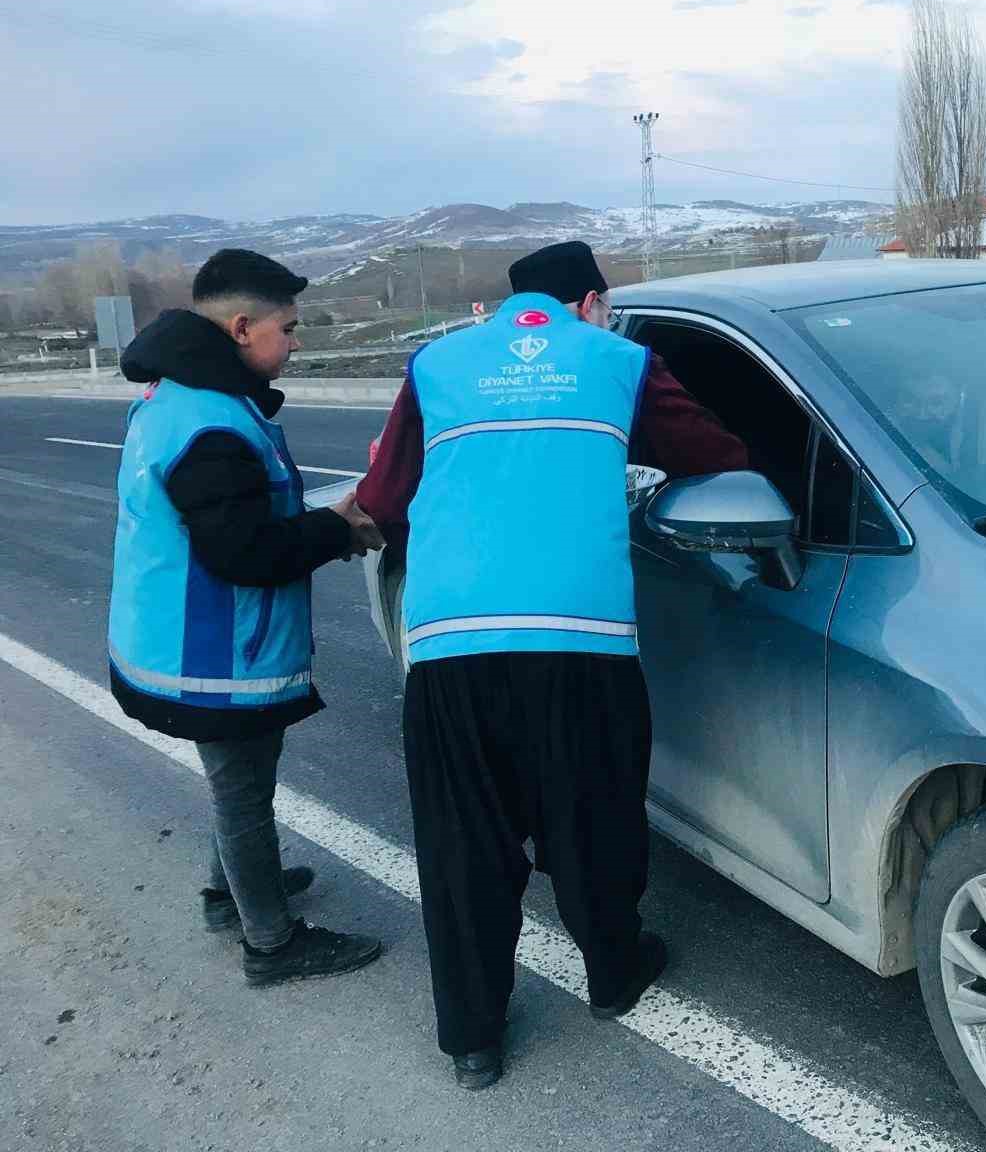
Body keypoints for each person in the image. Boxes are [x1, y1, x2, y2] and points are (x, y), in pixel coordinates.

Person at [356, 241, 748, 1090]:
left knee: (463, 841)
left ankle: (472, 1037)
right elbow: (717, 459)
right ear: (595, 302)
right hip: (580, 634)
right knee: (593, 815)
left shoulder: (436, 363)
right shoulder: (620, 361)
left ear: (506, 304)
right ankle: (613, 973)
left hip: (452, 640)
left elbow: (384, 502)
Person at [108, 249, 386, 986]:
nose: (294, 343)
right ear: (240, 328)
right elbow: (248, 554)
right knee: (242, 793)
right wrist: (338, 528)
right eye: (287, 329)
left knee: (241, 789)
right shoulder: (212, 423)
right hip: (210, 653)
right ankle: (271, 943)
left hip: (172, 635)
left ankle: (227, 891)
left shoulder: (181, 396)